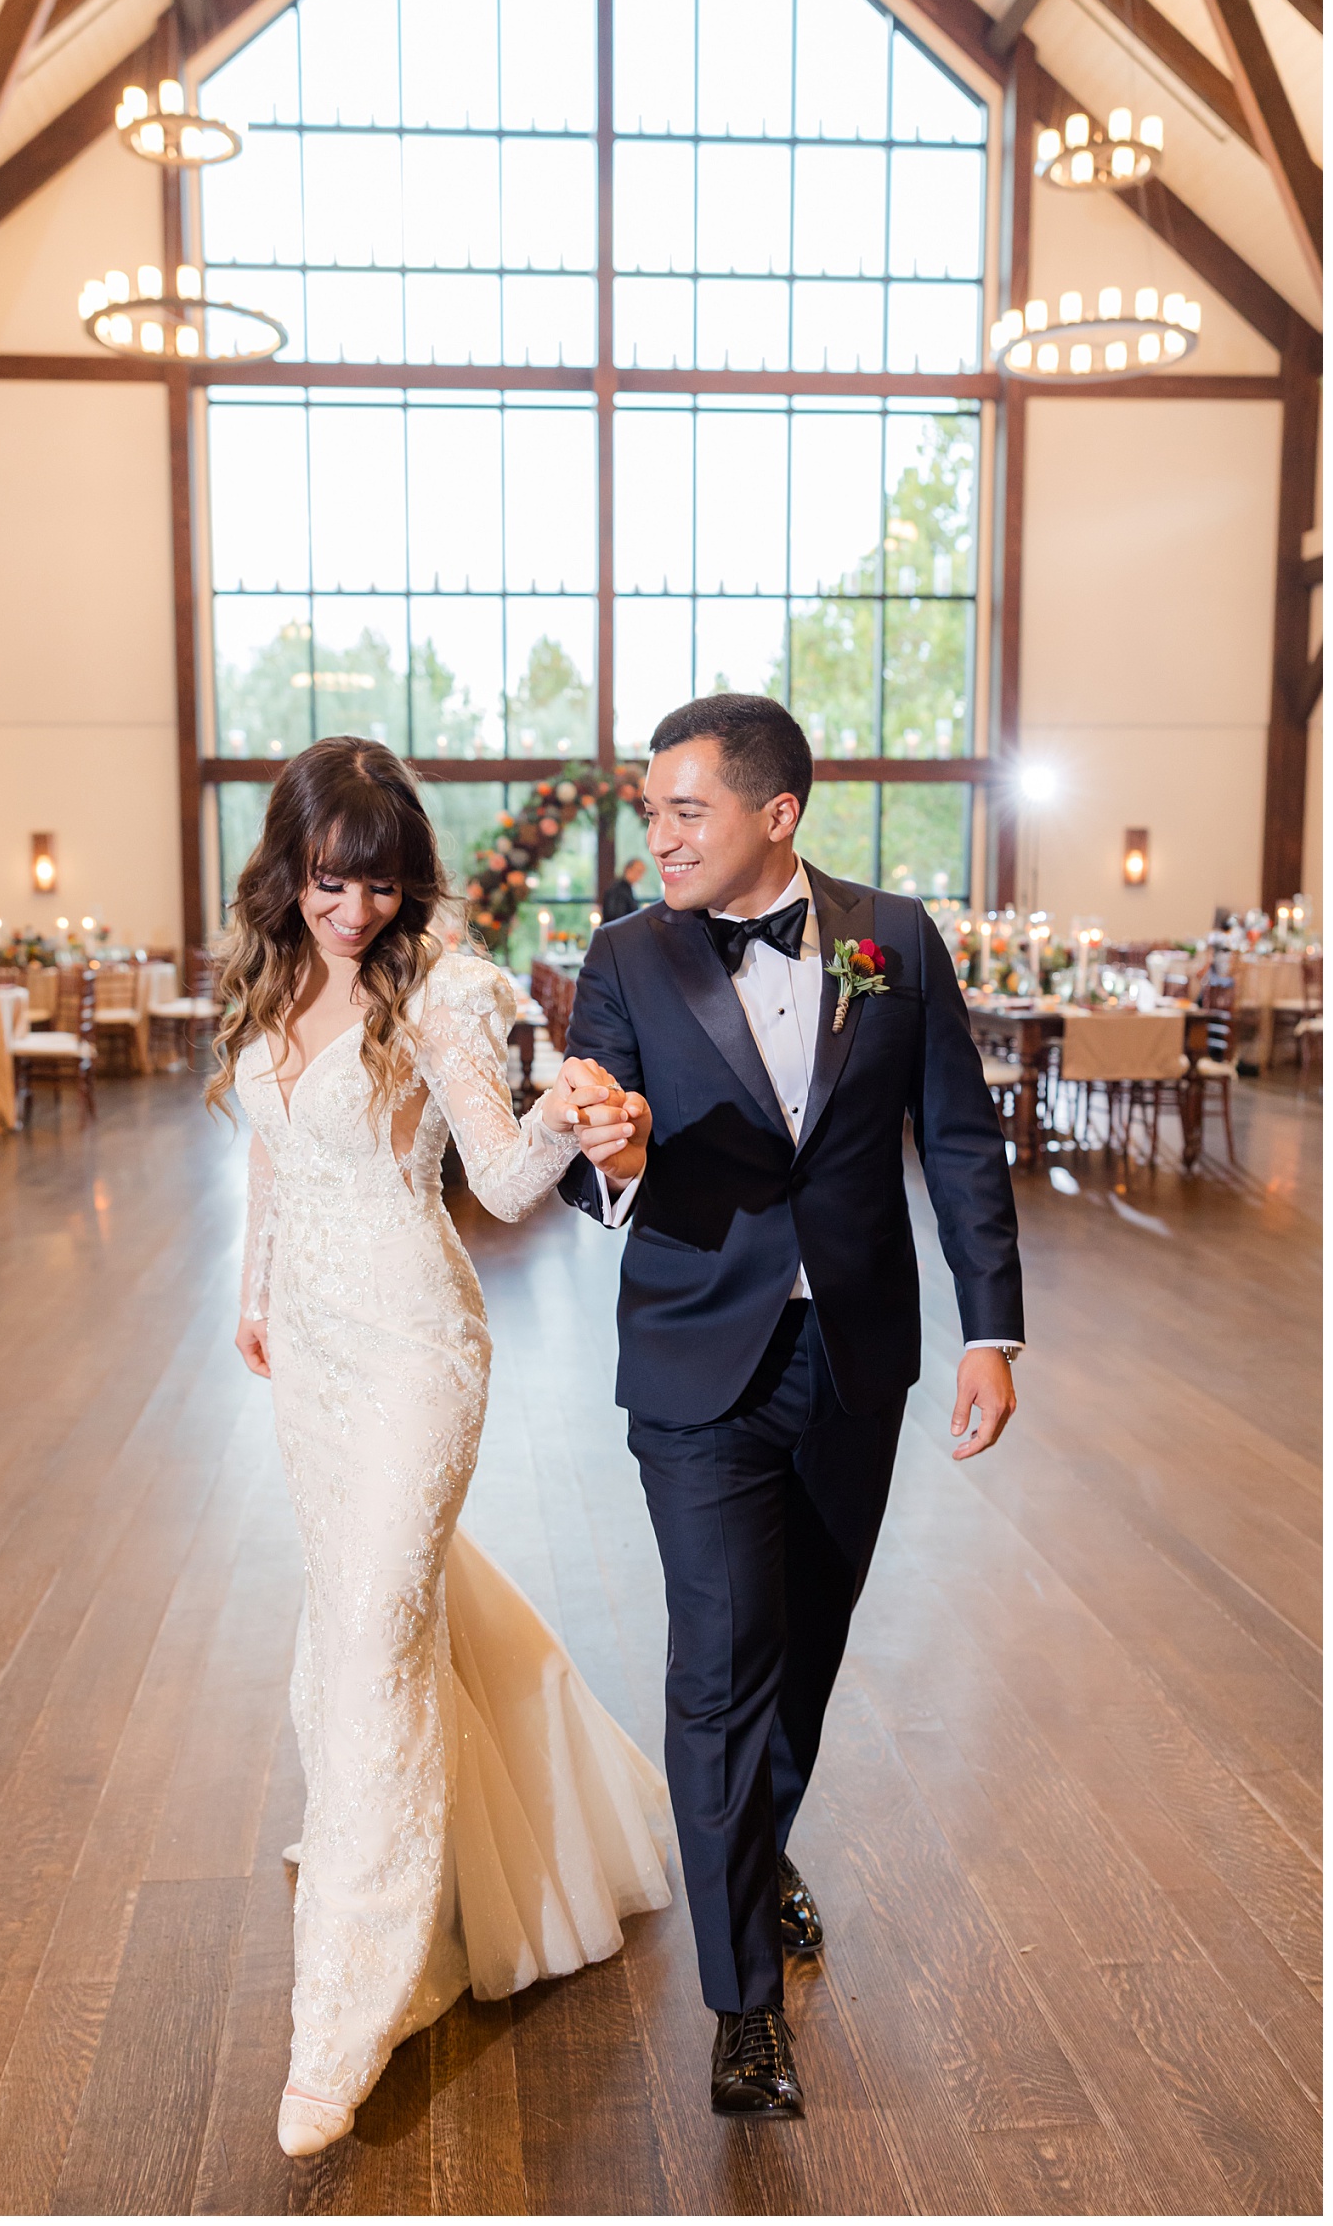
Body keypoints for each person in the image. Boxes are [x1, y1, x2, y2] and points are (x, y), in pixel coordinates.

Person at [559, 694, 1023, 2120]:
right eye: (648, 810)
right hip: (699, 1360)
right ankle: (742, 2003)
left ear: (776, 814)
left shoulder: (890, 940)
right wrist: (617, 1148)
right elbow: (590, 1169)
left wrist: (990, 1326)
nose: (658, 834)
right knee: (720, 1666)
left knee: (806, 1650)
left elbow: (953, 1136)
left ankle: (757, 1848)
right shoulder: (626, 955)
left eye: (682, 809)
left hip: (856, 1358)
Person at [209, 736, 673, 2160]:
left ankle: (354, 2004)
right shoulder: (270, 978)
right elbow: (271, 1152)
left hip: (417, 1348)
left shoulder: (444, 993)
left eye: (375, 883)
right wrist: (251, 1291)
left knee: (370, 1638)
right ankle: (409, 1851)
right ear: (287, 871)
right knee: (364, 1628)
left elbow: (511, 1183)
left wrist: (571, 1109)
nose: (351, 910)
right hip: (313, 1359)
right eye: (327, 881)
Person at [600, 856, 649, 924]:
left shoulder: (627, 889)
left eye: (642, 873)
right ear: (627, 869)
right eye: (638, 871)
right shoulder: (618, 890)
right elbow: (617, 918)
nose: (640, 876)